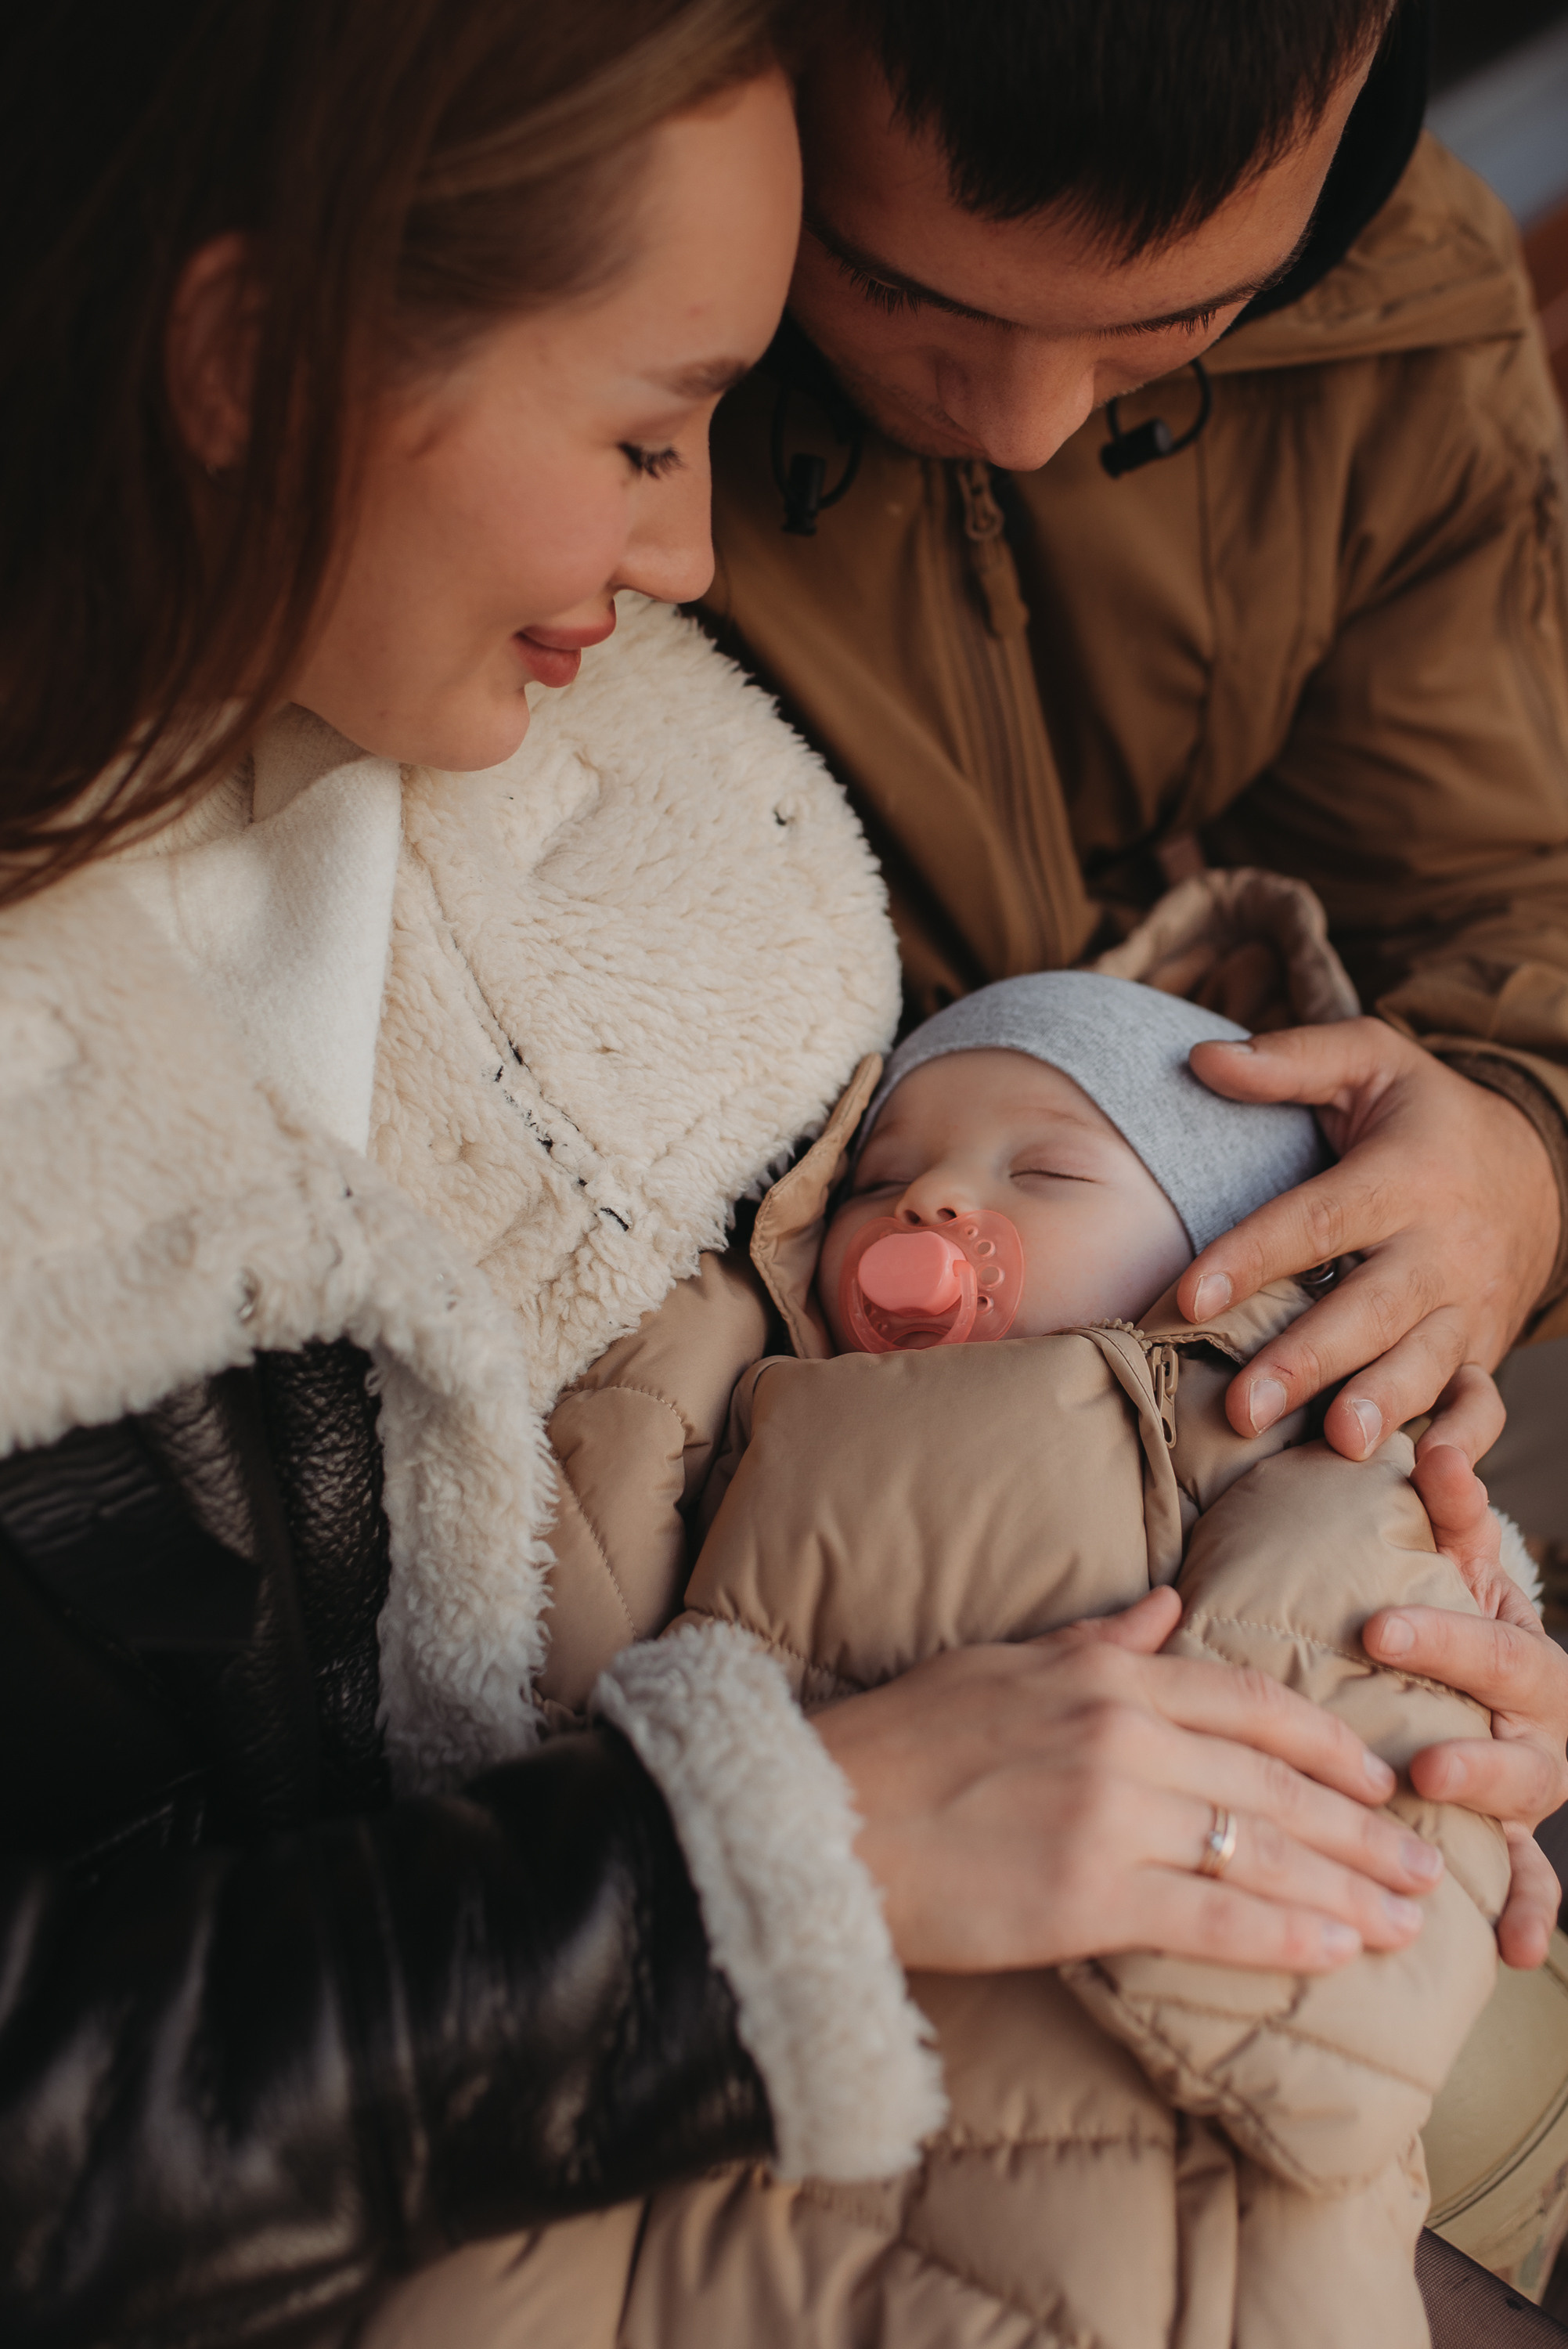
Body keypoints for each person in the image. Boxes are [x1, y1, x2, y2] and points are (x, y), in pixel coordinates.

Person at [0, 7, 1557, 2348]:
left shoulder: (655, 812)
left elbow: (927, 1371)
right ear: (245, 359)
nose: (696, 548)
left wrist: (1361, 1603)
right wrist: (748, 1876)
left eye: (1173, 336)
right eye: (660, 427)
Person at [700, 0, 1568, 1973]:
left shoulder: (1398, 303)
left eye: (1177, 324)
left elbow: (1504, 895)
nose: (1024, 421)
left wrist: (1514, 1155)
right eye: (894, 286)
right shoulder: (558, 319)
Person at [657, 965, 1522, 2346]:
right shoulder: (759, 1403)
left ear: (1231, 1258)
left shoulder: (1278, 1463)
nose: (932, 1202)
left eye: (1048, 1172)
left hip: (1144, 2131)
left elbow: (1376, 1773)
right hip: (719, 2060)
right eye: (880, 1179)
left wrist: (1258, 2014)